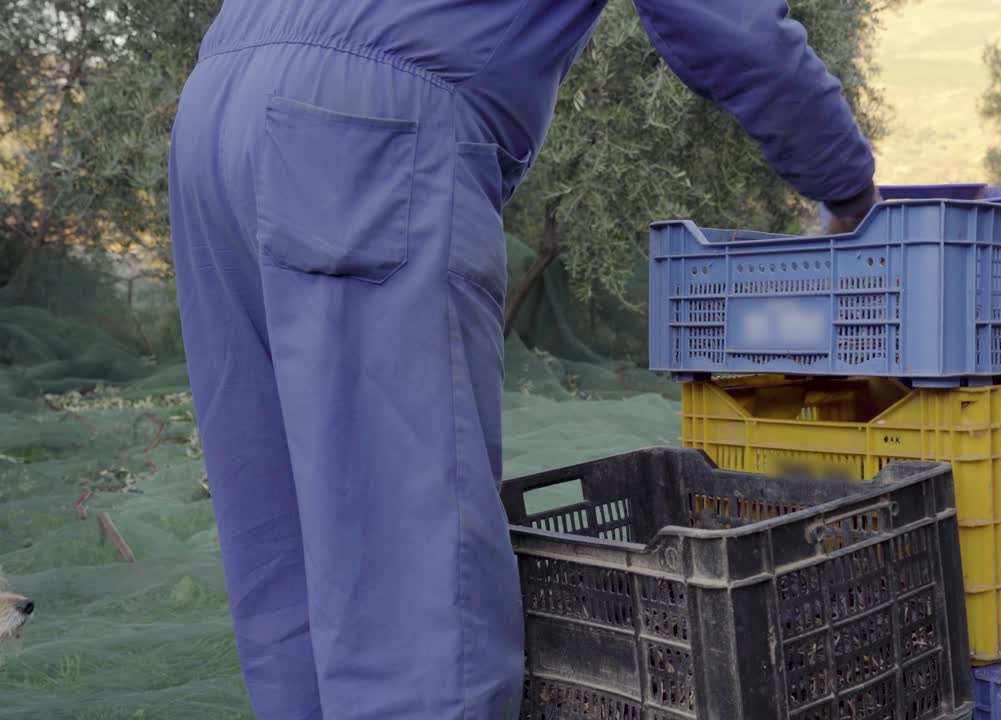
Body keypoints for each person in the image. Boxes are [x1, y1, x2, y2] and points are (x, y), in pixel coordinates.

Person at [167, 1, 879, 718]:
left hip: (216, 109)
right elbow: (731, 26)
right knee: (409, 586)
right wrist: (848, 186)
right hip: (355, 133)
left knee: (281, 541)